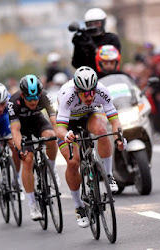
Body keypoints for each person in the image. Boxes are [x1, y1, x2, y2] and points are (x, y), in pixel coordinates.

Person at [56, 66, 126, 228]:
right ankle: (79, 206)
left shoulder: (102, 91)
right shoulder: (67, 95)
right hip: (67, 123)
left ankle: (108, 175)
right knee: (73, 162)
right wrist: (66, 135)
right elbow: (59, 128)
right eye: (84, 93)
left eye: (91, 92)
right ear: (76, 90)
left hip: (88, 115)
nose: (89, 96)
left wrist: (119, 138)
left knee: (102, 130)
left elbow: (114, 121)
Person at [8, 74, 59, 221]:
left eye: (36, 97)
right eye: (29, 98)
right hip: (22, 128)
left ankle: (52, 168)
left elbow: (54, 121)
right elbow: (15, 131)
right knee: (28, 160)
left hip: (37, 121)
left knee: (50, 136)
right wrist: (20, 149)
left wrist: (60, 136)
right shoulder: (14, 102)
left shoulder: (44, 96)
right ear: (23, 95)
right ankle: (32, 204)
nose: (34, 101)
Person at [71, 8, 121, 72]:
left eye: (97, 23)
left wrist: (93, 48)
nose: (93, 26)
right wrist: (78, 47)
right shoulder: (84, 39)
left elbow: (112, 60)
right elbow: (76, 64)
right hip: (90, 77)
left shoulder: (111, 38)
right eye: (90, 24)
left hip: (109, 75)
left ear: (103, 23)